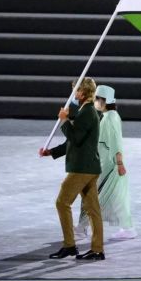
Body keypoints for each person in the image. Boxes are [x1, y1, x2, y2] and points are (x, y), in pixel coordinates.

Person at [39, 78, 105, 260]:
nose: (74, 94)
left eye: (76, 91)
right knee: (93, 210)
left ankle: (69, 246)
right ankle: (97, 250)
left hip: (81, 169)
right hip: (89, 167)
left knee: (62, 203)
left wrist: (64, 120)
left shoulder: (87, 113)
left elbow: (75, 138)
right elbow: (71, 143)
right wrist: (50, 152)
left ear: (82, 93)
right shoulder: (86, 111)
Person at [76, 85, 135, 242]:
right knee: (116, 198)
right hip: (105, 163)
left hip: (108, 165)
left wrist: (119, 163)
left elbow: (116, 142)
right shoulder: (109, 116)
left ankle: (82, 228)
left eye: (97, 99)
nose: (95, 101)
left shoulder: (110, 118)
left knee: (92, 196)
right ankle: (127, 228)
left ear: (105, 101)